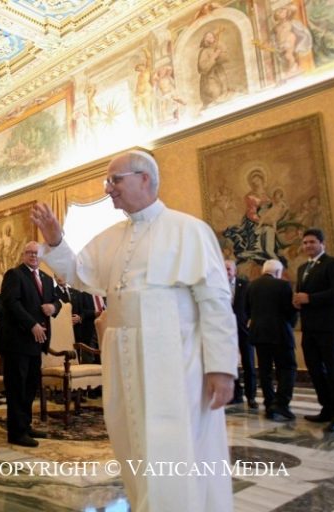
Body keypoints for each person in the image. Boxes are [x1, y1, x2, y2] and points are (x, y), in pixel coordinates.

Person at [31, 149, 238, 511]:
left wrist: (221, 367)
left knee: (177, 444)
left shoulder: (189, 230)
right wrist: (55, 239)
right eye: (107, 181)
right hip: (124, 360)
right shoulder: (111, 236)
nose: (108, 188)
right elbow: (79, 273)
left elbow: (215, 301)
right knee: (133, 440)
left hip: (176, 360)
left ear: (145, 179)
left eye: (115, 180)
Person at [0, 241, 59, 447]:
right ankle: (16, 432)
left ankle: (25, 425)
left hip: (37, 342)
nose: (33, 255)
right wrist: (32, 324)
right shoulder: (14, 275)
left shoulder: (47, 278)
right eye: (29, 252)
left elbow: (57, 300)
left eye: (36, 253)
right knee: (17, 387)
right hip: (17, 341)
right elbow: (11, 303)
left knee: (30, 386)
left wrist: (53, 307)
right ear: (23, 255)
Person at [293, 228, 334, 433]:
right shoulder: (303, 268)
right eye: (305, 242)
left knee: (333, 370)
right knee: (315, 369)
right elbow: (303, 294)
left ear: (322, 244)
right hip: (310, 327)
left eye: (312, 242)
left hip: (330, 326)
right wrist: (298, 301)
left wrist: (310, 298)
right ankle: (326, 408)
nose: (308, 245)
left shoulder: (332, 264)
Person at [246, 259, 297, 421]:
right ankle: (281, 404)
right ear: (278, 272)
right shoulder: (283, 285)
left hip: (259, 334)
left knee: (265, 370)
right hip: (280, 333)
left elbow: (247, 310)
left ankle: (269, 404)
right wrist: (291, 324)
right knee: (287, 368)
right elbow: (290, 311)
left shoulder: (251, 286)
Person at [225, 260, 257, 409]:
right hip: (226, 331)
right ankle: (236, 394)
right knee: (230, 363)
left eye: (228, 269)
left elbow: (253, 305)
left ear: (235, 271)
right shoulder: (218, 286)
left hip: (244, 330)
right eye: (223, 269)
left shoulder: (245, 285)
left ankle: (251, 396)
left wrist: (250, 320)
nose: (226, 272)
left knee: (248, 363)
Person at [55, 274, 97, 361]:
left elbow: (82, 310)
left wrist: (80, 317)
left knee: (77, 357)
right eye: (57, 276)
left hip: (77, 330)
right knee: (66, 358)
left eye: (62, 275)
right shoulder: (53, 292)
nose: (60, 278)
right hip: (62, 330)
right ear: (54, 277)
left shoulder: (75, 292)